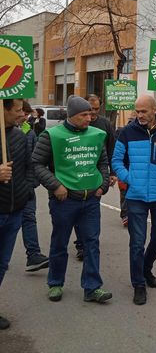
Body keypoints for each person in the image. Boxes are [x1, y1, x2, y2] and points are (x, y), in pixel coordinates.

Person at [32, 96, 112, 304]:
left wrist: (103, 185)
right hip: (64, 201)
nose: (89, 117)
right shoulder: (52, 135)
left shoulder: (97, 135)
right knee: (60, 242)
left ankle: (92, 287)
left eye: (90, 114)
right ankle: (55, 283)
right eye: (84, 114)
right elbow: (37, 164)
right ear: (71, 115)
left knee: (92, 243)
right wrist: (55, 185)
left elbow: (103, 162)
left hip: (91, 200)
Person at [112, 94, 156, 305]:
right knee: (136, 243)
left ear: (155, 110)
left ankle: (146, 268)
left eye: (143, 111)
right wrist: (129, 179)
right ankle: (138, 284)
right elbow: (116, 160)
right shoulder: (127, 132)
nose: (139, 115)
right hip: (136, 197)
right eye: (137, 111)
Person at [0, 99, 34, 329]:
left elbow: (29, 167)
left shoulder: (20, 136)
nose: (22, 114)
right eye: (18, 110)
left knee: (2, 264)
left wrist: (26, 190)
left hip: (14, 212)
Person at [72, 94, 118, 259]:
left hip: (97, 173)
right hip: (77, 173)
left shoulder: (104, 123)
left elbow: (112, 147)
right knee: (77, 209)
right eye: (89, 111)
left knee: (91, 209)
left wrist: (112, 172)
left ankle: (89, 242)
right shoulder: (76, 124)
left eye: (96, 110)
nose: (92, 115)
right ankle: (81, 243)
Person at [18, 101, 49, 272]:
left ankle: (33, 255)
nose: (24, 116)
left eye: (25, 113)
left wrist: (31, 183)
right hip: (6, 188)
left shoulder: (28, 133)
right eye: (21, 112)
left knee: (29, 218)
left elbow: (34, 160)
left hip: (25, 186)